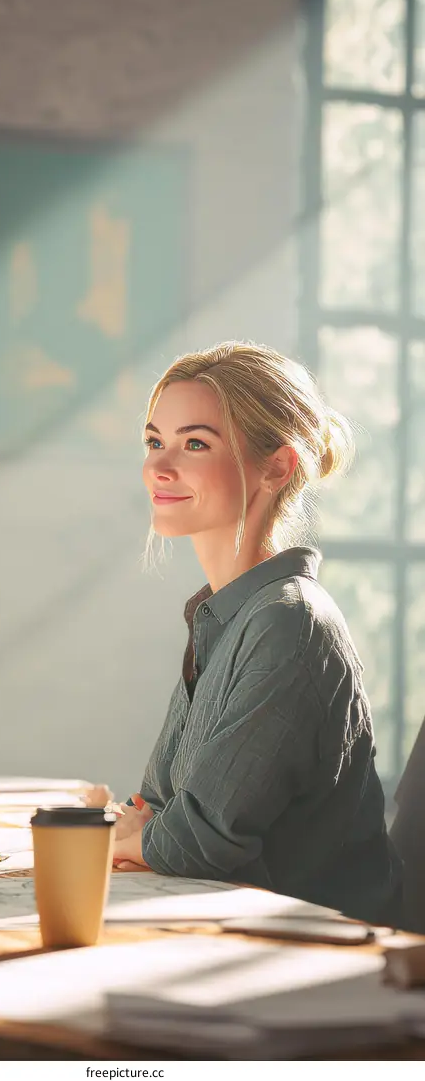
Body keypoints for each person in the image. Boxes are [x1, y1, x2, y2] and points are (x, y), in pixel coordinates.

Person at [112, 341, 403, 927]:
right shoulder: (222, 616)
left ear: (277, 466)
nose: (159, 467)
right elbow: (155, 807)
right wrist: (148, 832)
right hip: (224, 933)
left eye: (195, 443)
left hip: (310, 960)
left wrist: (146, 836)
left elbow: (196, 843)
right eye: (154, 441)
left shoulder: (288, 622)